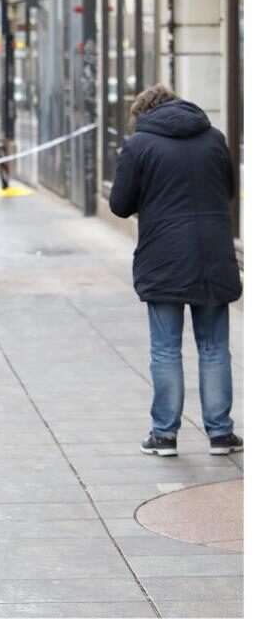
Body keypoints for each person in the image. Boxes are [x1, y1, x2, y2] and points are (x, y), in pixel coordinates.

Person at [109, 83, 243, 457]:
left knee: (166, 349)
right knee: (215, 347)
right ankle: (220, 434)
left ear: (141, 114)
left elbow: (119, 204)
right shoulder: (214, 138)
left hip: (164, 257)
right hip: (214, 255)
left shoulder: (139, 144)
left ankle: (164, 435)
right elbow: (229, 189)